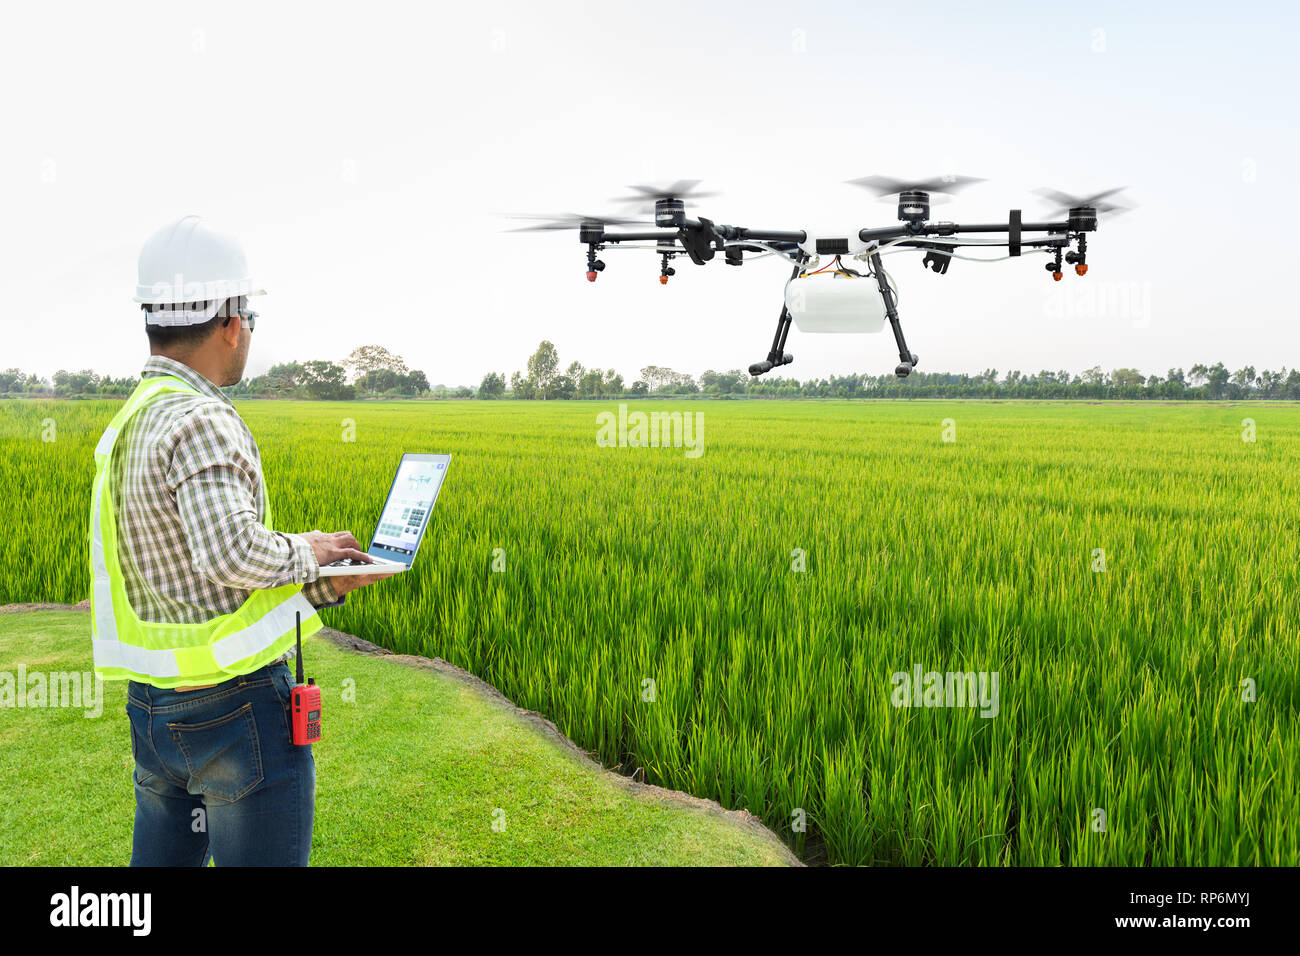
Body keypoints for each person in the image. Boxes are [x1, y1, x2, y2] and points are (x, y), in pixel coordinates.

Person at [89, 215, 394, 865]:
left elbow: (190, 574)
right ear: (229, 320)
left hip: (153, 708)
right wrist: (309, 554)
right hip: (233, 715)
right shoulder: (200, 418)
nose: (249, 332)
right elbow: (226, 552)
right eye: (249, 316)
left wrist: (316, 574)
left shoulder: (130, 423)